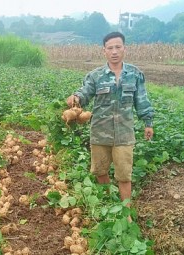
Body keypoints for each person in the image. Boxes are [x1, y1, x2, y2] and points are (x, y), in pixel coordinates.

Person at [66, 32, 154, 208]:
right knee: (100, 170)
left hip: (124, 133)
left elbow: (142, 100)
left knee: (124, 175)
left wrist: (148, 123)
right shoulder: (95, 76)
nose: (114, 51)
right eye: (110, 48)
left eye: (118, 47)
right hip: (100, 132)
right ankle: (109, 204)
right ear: (104, 51)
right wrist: (76, 98)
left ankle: (126, 212)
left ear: (124, 49)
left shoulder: (135, 74)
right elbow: (85, 92)